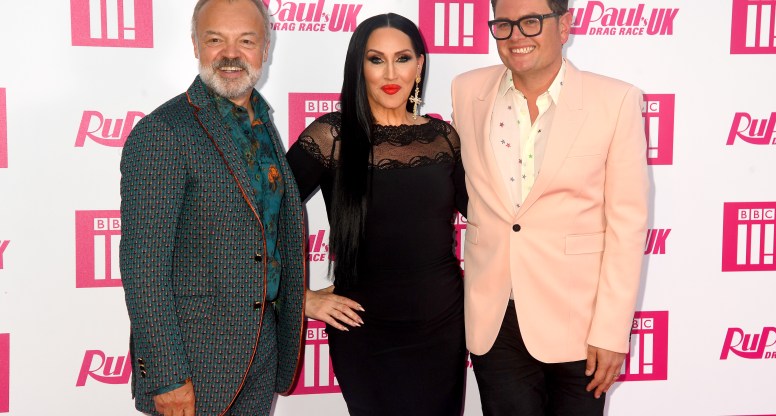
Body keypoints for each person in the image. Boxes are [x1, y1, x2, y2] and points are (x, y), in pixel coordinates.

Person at [450, 0, 649, 414]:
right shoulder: (467, 91)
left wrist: (612, 332)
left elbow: (627, 225)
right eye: (503, 24)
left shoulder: (615, 101)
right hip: (495, 317)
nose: (516, 35)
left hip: (580, 321)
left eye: (531, 21)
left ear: (565, 26)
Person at [119, 0, 306, 414]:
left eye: (246, 40)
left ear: (266, 47)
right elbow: (142, 264)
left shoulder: (263, 124)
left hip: (261, 351)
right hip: (194, 366)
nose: (231, 54)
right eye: (215, 40)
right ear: (195, 45)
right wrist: (166, 376)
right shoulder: (163, 132)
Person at [286, 13, 468, 416]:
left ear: (419, 65)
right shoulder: (330, 136)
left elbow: (491, 216)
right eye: (376, 59)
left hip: (441, 326)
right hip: (364, 330)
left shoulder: (443, 138)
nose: (390, 72)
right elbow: (262, 217)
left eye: (402, 58)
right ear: (359, 66)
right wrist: (299, 298)